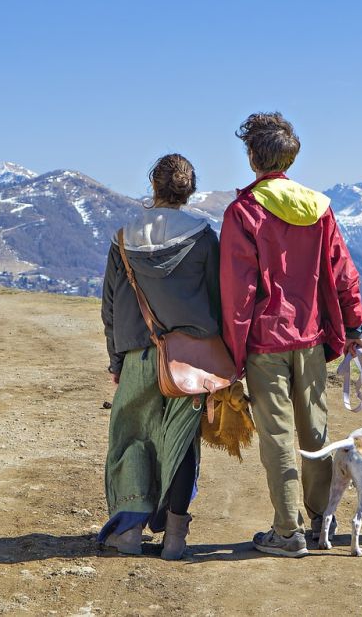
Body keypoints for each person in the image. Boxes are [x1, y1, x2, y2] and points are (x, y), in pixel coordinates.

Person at [220, 112, 362, 557]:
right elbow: (343, 272)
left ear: (252, 157)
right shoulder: (319, 208)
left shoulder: (244, 212)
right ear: (291, 155)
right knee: (316, 431)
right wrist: (355, 325)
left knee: (278, 437)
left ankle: (288, 532)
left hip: (266, 343)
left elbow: (238, 293)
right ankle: (322, 520)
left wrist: (232, 355)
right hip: (313, 339)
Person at [98, 153, 221, 560]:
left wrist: (117, 361)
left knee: (132, 438)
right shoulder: (203, 236)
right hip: (192, 360)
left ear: (154, 185)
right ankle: (175, 536)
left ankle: (129, 533)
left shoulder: (124, 237)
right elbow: (218, 300)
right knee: (182, 443)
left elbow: (112, 306)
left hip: (138, 355)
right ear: (190, 189)